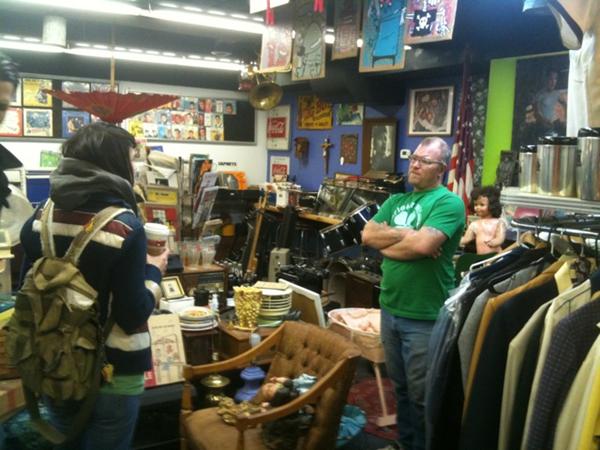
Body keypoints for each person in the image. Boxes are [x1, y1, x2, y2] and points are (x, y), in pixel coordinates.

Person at [19, 122, 169, 450]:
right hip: (113, 370)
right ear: (114, 163)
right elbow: (132, 314)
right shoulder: (125, 226)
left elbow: (27, 293)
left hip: (55, 362)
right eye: (131, 159)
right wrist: (154, 272)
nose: (135, 167)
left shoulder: (39, 217)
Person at [362, 137, 465, 450]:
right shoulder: (396, 201)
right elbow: (367, 235)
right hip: (390, 308)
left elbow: (423, 245)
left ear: (441, 169)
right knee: (401, 389)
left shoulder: (448, 202)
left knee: (422, 396)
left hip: (424, 315)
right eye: (414, 158)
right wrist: (407, 234)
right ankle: (405, 444)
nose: (415, 165)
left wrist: (395, 242)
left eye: (424, 161)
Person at [460, 185, 506, 254]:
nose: (478, 207)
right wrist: (455, 241)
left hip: (496, 256)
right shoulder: (474, 224)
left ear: (492, 205)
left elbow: (500, 237)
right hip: (481, 258)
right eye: (476, 204)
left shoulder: (499, 222)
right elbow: (467, 239)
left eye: (482, 205)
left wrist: (495, 242)